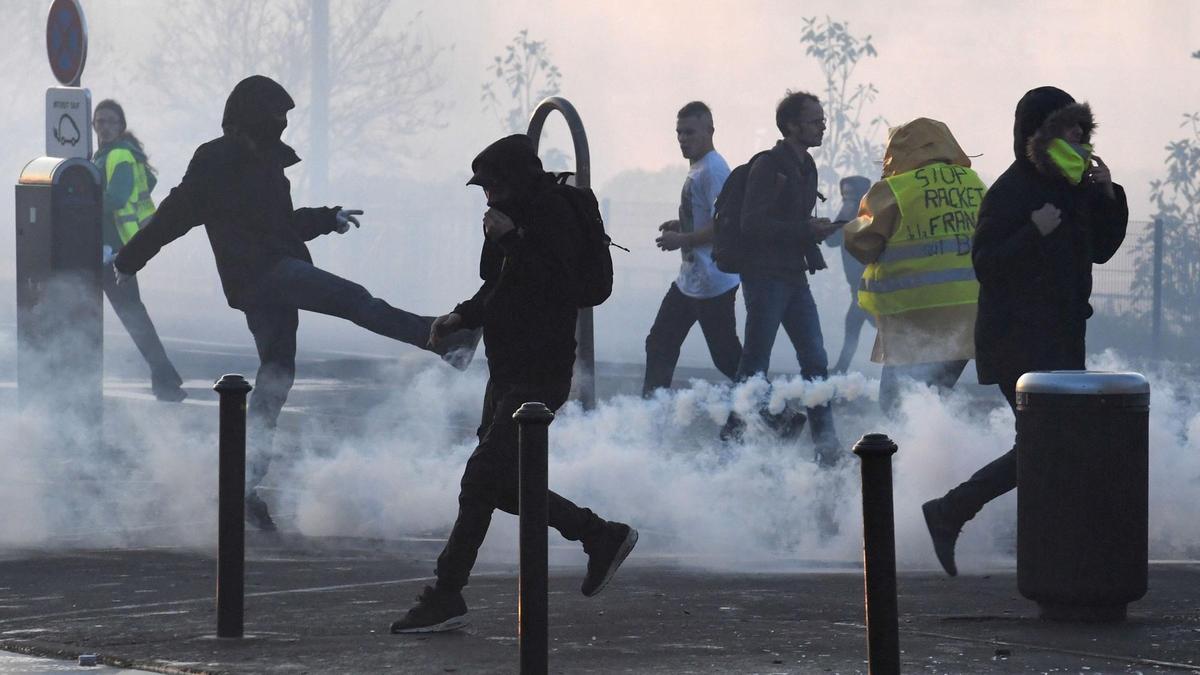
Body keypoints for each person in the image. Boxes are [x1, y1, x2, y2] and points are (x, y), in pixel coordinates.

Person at [114, 75, 476, 531]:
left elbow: (282, 224)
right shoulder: (215, 160)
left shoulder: (266, 161)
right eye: (276, 115)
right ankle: (442, 336)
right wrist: (130, 259)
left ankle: (242, 485)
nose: (283, 124)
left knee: (277, 376)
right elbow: (173, 216)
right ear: (251, 116)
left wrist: (328, 218)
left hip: (270, 276)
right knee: (351, 298)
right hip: (262, 275)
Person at [390, 135, 637, 634]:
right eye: (484, 188)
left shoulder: (551, 214)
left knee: (482, 477)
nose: (487, 196)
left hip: (539, 372)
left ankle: (451, 589)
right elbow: (500, 287)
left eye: (494, 186)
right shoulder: (509, 217)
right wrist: (461, 316)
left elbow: (563, 284)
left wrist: (511, 240)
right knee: (486, 486)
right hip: (505, 371)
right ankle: (596, 537)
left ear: (518, 178)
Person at [920, 87, 1128, 576]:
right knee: (1049, 445)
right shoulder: (1013, 190)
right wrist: (1033, 230)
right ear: (1042, 130)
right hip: (1017, 341)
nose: (1080, 135)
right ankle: (961, 514)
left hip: (1060, 338)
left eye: (1083, 127)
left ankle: (973, 520)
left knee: (1052, 449)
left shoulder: (1072, 186)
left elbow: (1101, 250)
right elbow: (987, 265)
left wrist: (1108, 195)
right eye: (1070, 126)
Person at [720, 90, 843, 463]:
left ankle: (826, 447)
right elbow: (752, 224)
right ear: (792, 125)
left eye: (822, 119)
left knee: (816, 360)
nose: (823, 125)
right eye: (815, 120)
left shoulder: (807, 167)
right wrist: (806, 230)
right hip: (765, 278)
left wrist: (810, 233)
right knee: (755, 365)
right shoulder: (769, 166)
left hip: (793, 277)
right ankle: (731, 440)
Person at [843, 118, 986, 413]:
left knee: (897, 407)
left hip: (914, 321)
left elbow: (860, 245)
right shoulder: (975, 183)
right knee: (931, 401)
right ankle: (942, 453)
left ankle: (909, 459)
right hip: (970, 320)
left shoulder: (893, 189)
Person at [642, 101, 741, 397]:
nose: (683, 139)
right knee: (660, 342)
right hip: (691, 280)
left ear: (710, 131)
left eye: (690, 132)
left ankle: (781, 416)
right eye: (679, 133)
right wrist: (682, 223)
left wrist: (682, 240)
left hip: (712, 282)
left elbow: (725, 225)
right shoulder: (699, 168)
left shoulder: (713, 169)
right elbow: (707, 216)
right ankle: (650, 412)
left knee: (727, 358)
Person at [91, 99, 187, 403]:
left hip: (114, 249)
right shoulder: (108, 155)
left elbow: (116, 199)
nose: (104, 126)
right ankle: (165, 378)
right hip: (118, 247)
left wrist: (79, 204)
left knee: (130, 315)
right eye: (99, 121)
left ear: (120, 126)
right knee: (133, 315)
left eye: (110, 121)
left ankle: (165, 378)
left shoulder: (117, 154)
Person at [824, 175, 874, 374]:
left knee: (863, 323)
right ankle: (841, 369)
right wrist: (845, 212)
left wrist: (847, 212)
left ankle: (841, 369)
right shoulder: (848, 217)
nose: (848, 199)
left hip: (870, 286)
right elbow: (832, 240)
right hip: (857, 287)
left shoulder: (868, 218)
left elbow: (835, 238)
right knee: (853, 324)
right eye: (845, 195)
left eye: (853, 195)